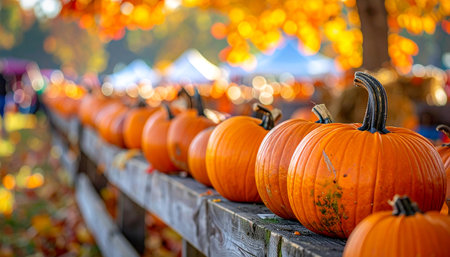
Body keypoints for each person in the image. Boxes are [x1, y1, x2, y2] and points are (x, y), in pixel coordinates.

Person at [0, 72, 7, 137]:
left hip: (2, 97)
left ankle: (3, 130)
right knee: (3, 115)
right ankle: (4, 130)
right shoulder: (4, 79)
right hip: (3, 98)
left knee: (3, 114)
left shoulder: (3, 79)